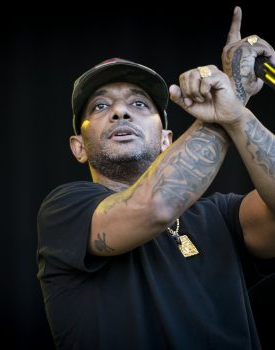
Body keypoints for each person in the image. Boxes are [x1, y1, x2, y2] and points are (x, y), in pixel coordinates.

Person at [37, 6, 275, 350]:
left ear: (166, 139)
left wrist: (237, 116)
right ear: (78, 148)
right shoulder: (65, 210)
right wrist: (235, 91)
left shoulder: (222, 217)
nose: (120, 111)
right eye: (100, 107)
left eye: (139, 104)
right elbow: (156, 206)